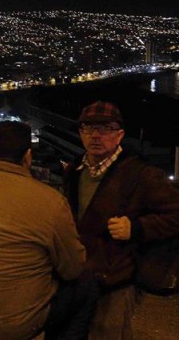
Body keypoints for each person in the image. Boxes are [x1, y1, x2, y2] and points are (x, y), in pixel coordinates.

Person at [0, 121, 97, 340]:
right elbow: (73, 268)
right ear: (28, 156)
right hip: (12, 324)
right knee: (85, 286)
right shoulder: (49, 200)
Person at [62, 101, 179, 339]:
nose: (95, 135)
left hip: (117, 279)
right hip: (79, 273)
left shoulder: (142, 174)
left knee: (109, 333)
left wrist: (136, 228)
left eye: (105, 128)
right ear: (80, 133)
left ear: (120, 135)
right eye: (88, 128)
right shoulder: (75, 170)